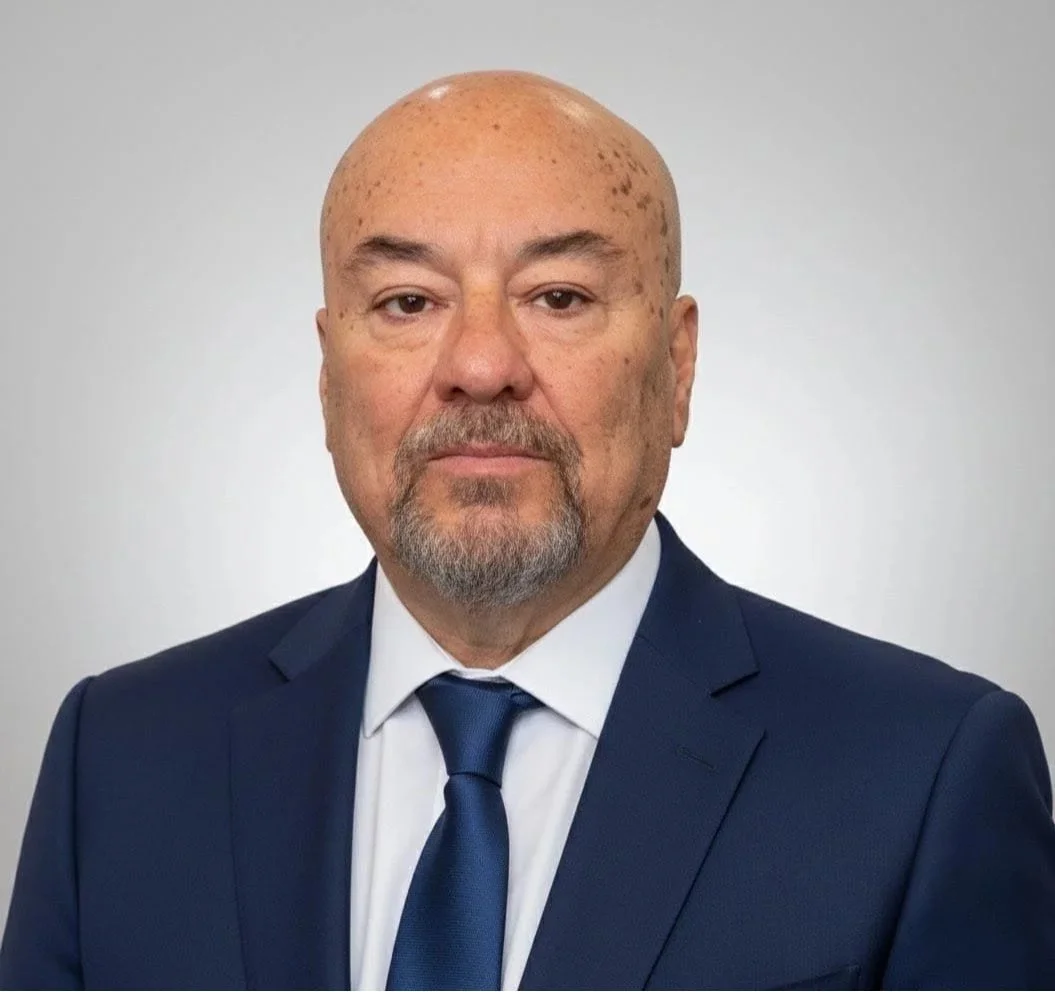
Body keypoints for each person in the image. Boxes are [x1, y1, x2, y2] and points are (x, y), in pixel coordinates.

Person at [2, 69, 1053, 991]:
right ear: (328, 374)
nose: (479, 363)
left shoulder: (922, 770)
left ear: (676, 367)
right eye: (407, 301)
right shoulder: (121, 758)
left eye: (557, 294)